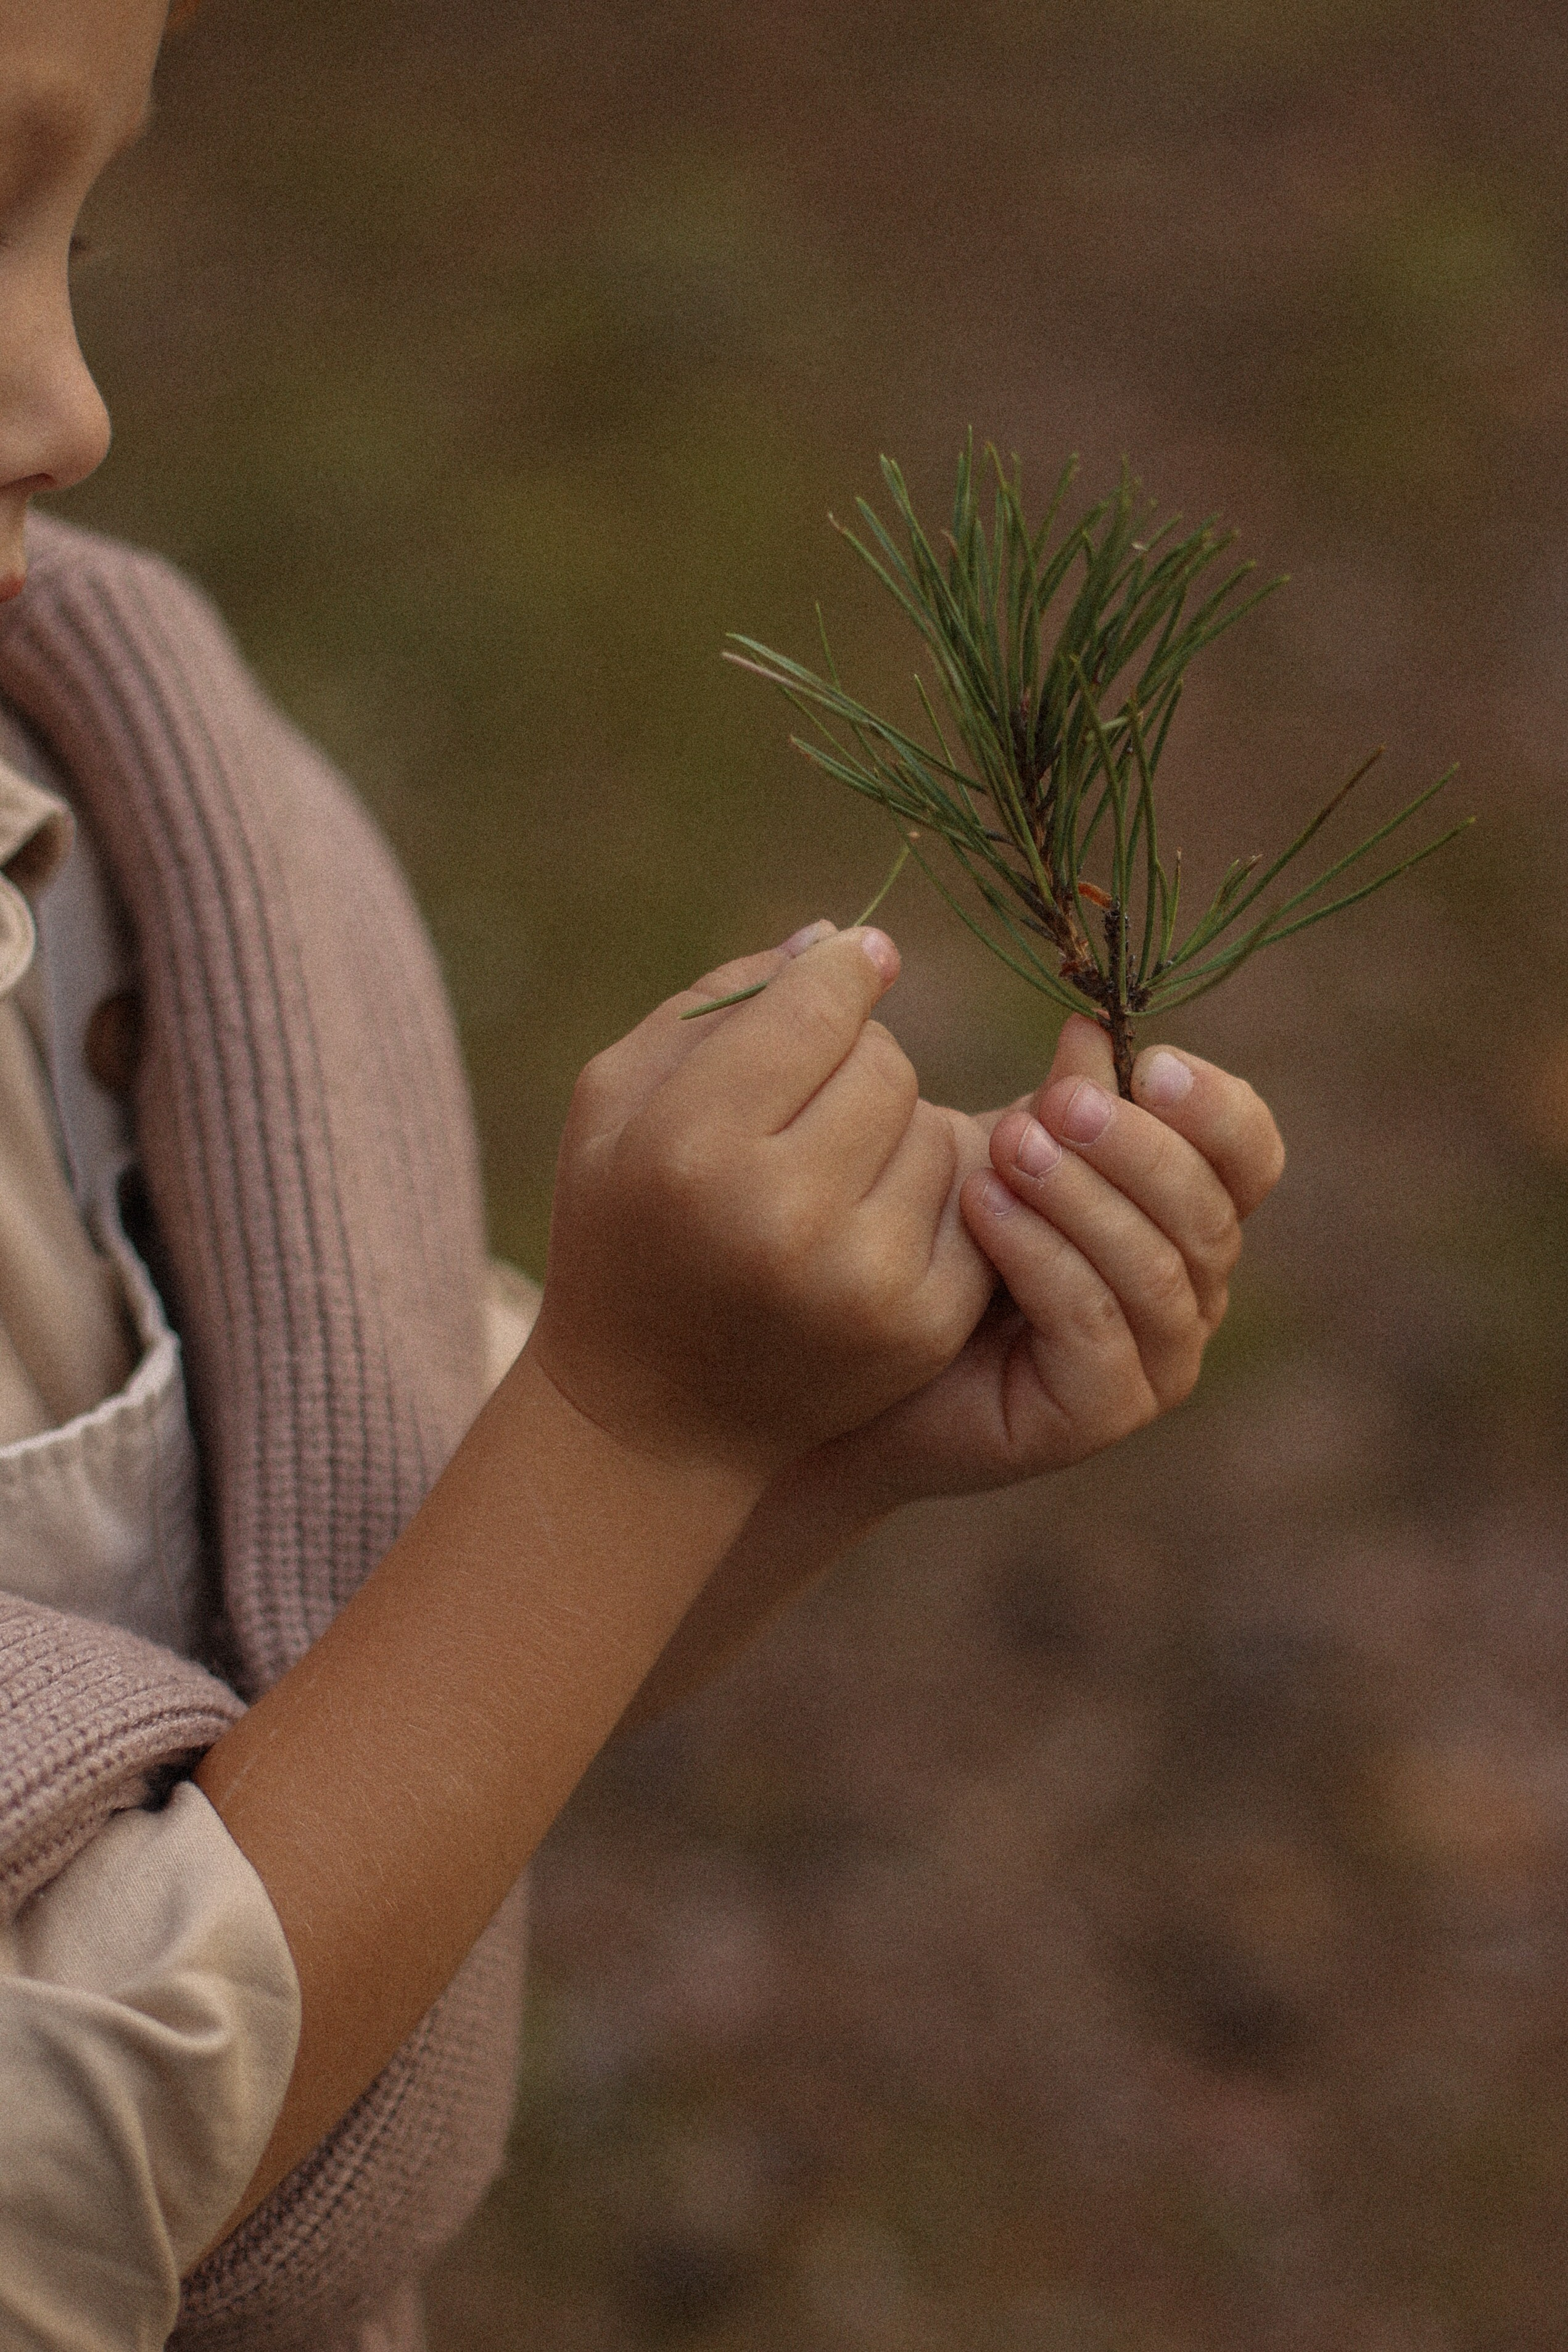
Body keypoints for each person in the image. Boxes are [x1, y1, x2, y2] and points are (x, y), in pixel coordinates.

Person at [0, 0, 1286, 2345]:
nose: (71, 403)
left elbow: (377, 1684)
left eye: (82, 219)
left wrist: (779, 1447)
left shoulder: (114, 825)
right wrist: (627, 1427)